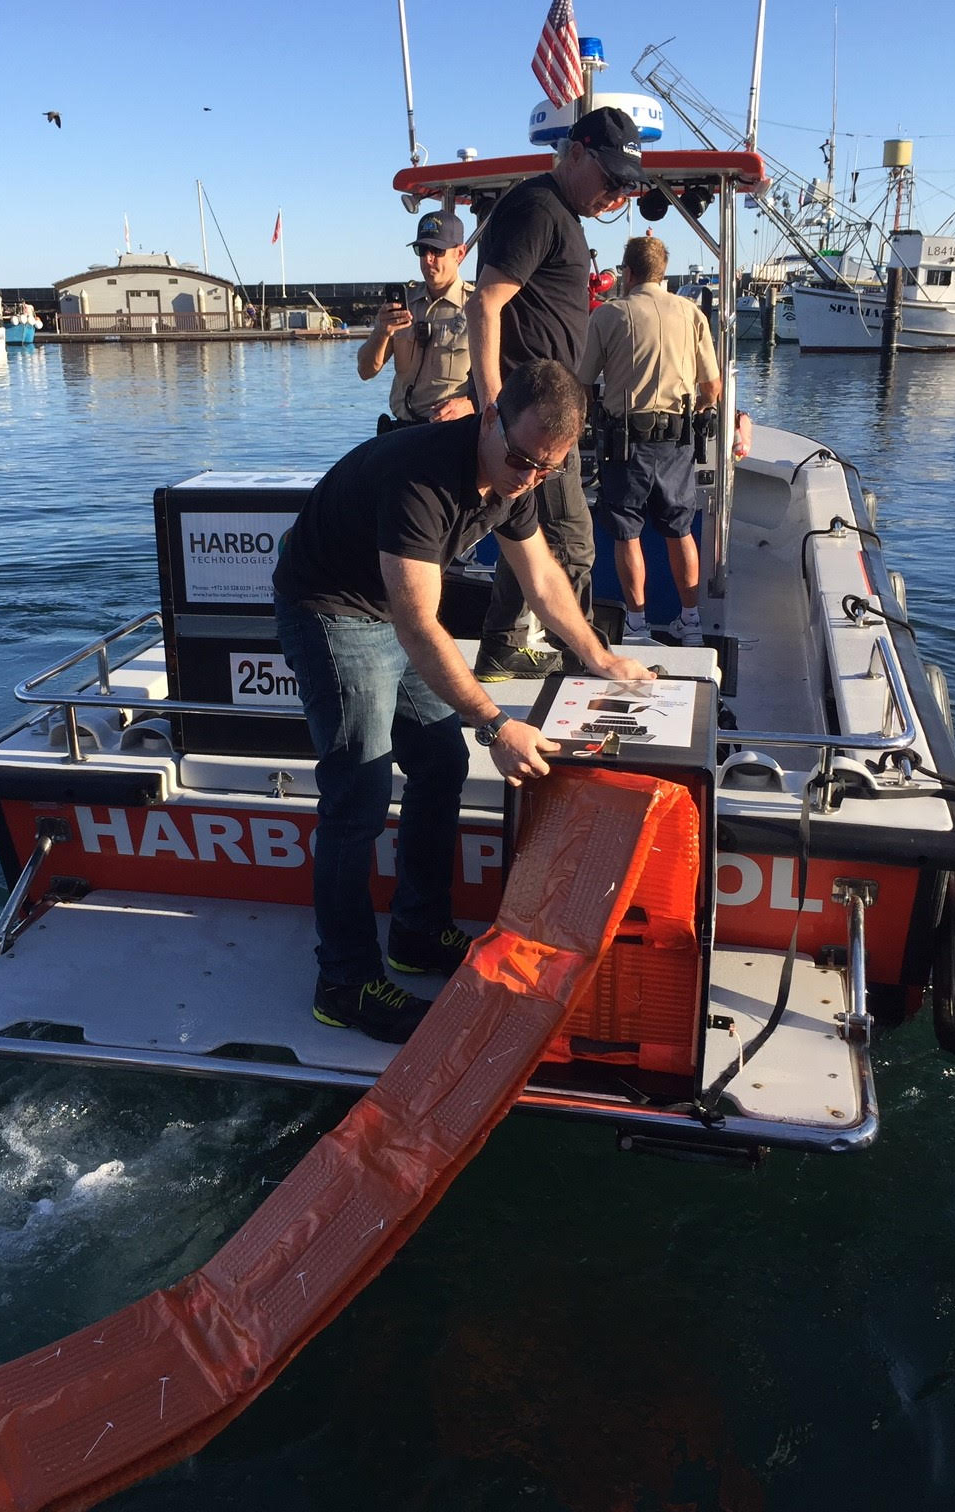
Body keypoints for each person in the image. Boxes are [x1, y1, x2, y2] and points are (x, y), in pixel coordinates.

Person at [273, 359, 655, 1043]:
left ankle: (416, 933)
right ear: (488, 417)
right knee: (357, 797)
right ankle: (344, 982)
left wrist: (599, 657)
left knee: (441, 764)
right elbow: (420, 625)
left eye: (546, 469)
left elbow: (540, 575)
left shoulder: (521, 473)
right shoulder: (422, 479)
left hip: (391, 611)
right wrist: (497, 722)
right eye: (518, 459)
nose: (526, 478)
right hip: (330, 606)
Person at [466, 106, 644, 683]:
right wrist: (494, 406)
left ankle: (503, 646)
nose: (616, 196)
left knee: (530, 530)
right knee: (570, 543)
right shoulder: (540, 208)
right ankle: (585, 664)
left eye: (625, 187)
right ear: (575, 152)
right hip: (531, 416)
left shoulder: (556, 210)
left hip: (542, 412)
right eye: (610, 179)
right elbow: (485, 303)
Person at [577, 234, 723, 646]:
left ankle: (637, 627)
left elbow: (584, 382)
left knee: (627, 531)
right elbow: (711, 387)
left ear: (627, 272)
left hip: (626, 442)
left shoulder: (608, 316)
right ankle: (690, 620)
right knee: (679, 529)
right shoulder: (691, 313)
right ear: (662, 272)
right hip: (677, 440)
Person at [357, 210, 475, 429]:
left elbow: (507, 377)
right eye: (421, 250)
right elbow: (365, 371)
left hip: (450, 434)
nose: (428, 259)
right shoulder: (404, 303)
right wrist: (381, 332)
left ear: (460, 253)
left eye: (437, 250)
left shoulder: (477, 308)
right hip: (402, 433)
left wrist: (470, 405)